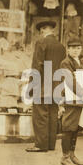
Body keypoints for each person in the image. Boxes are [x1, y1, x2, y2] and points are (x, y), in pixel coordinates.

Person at [26, 20, 66, 152]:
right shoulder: (61, 46)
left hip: (42, 86)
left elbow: (37, 66)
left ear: (43, 30)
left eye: (41, 31)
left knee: (40, 115)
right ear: (52, 30)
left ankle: (40, 145)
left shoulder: (41, 43)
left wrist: (31, 86)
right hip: (56, 86)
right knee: (52, 115)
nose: (40, 33)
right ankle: (50, 144)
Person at [59, 39, 83, 165]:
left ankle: (72, 154)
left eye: (78, 48)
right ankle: (65, 158)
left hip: (79, 99)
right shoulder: (65, 63)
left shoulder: (82, 62)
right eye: (73, 48)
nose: (75, 50)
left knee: (75, 128)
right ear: (68, 49)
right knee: (68, 128)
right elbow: (70, 81)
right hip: (70, 99)